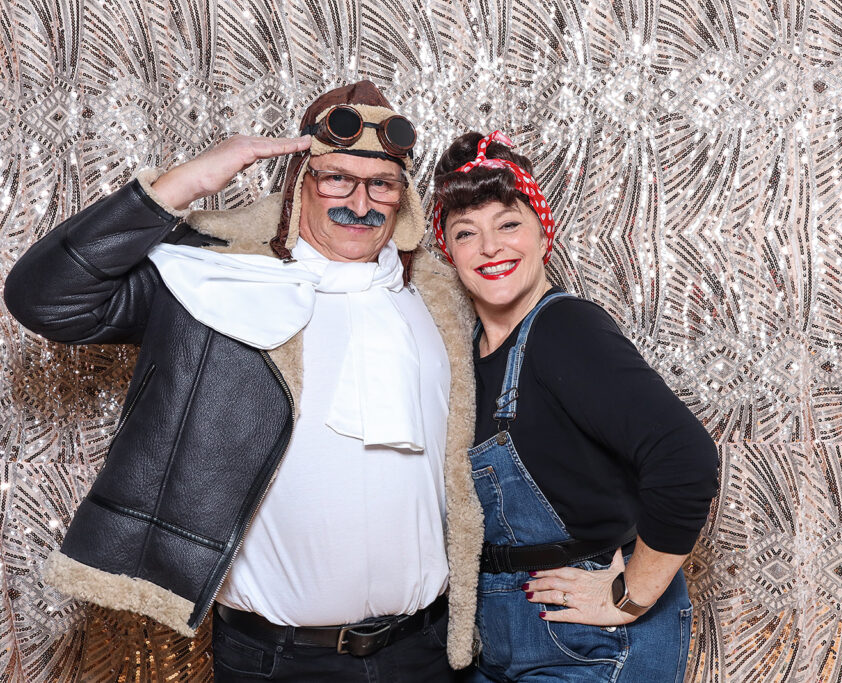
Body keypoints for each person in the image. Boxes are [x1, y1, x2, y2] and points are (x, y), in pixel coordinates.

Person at [4, 81, 485, 681]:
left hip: (423, 653)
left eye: (381, 184)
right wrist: (189, 181)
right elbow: (44, 299)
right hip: (276, 661)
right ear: (297, 185)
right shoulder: (214, 282)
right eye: (336, 178)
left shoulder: (440, 296)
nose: (359, 203)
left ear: (402, 197)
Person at [430, 131, 720, 682]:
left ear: (544, 234)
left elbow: (685, 460)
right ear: (450, 253)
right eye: (466, 233)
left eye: (509, 224)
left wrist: (629, 597)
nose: (490, 248)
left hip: (589, 647)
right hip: (497, 642)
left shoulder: (564, 329)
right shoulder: (467, 358)